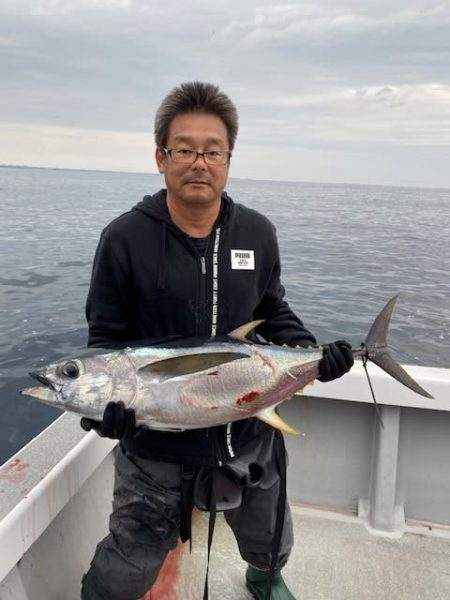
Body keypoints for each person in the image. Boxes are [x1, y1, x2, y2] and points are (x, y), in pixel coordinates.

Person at [80, 81, 354, 600]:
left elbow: (271, 309)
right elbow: (105, 342)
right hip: (156, 442)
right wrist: (104, 410)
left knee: (269, 538)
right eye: (185, 149)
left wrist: (314, 352)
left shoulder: (257, 231)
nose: (199, 162)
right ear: (160, 157)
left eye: (213, 151)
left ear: (229, 159)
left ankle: (264, 575)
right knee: (124, 572)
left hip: (248, 426)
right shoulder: (124, 239)